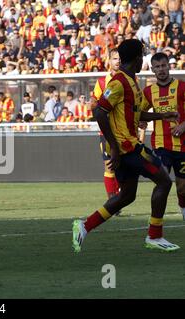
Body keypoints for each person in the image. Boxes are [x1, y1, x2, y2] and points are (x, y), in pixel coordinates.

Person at [72, 39, 180, 253]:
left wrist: (163, 115)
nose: (144, 60)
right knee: (164, 181)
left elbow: (137, 113)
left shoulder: (131, 81)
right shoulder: (119, 82)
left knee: (127, 196)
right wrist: (113, 146)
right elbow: (99, 111)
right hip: (127, 148)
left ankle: (85, 226)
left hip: (126, 148)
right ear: (138, 58)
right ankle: (154, 236)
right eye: (143, 56)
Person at [143, 52, 185, 221]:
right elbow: (139, 112)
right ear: (152, 69)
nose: (161, 69)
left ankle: (182, 208)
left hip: (182, 145)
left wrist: (184, 125)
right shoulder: (148, 92)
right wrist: (141, 121)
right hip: (160, 144)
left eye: (163, 65)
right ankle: (155, 223)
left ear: (169, 66)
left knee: (182, 188)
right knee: (163, 182)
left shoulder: (181, 87)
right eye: (157, 67)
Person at [90, 49, 122, 204]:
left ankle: (120, 194)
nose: (118, 61)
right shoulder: (102, 82)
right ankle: (112, 202)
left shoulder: (129, 80)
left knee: (124, 166)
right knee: (109, 166)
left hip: (124, 131)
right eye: (115, 58)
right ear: (109, 60)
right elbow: (94, 104)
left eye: (120, 59)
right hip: (106, 131)